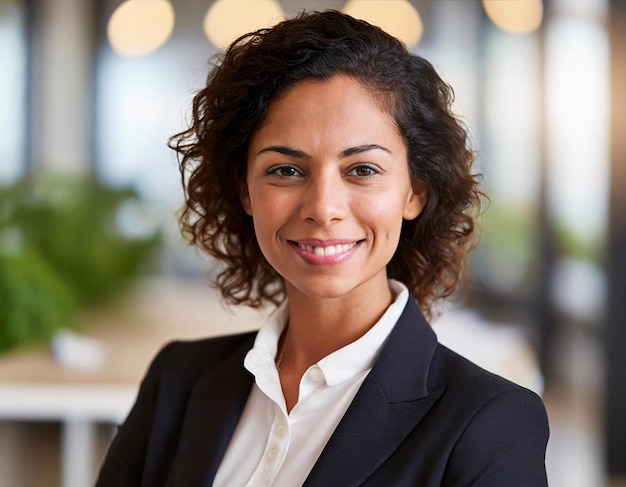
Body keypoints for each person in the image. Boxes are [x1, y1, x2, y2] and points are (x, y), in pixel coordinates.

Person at [96, 10, 549, 487]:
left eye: (362, 170)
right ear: (246, 190)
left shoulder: (490, 424)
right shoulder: (178, 381)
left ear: (414, 191)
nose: (323, 208)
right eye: (286, 170)